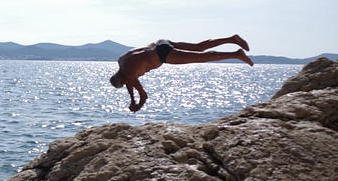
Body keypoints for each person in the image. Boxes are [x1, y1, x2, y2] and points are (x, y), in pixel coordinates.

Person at [109, 34, 254, 112]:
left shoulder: (129, 75)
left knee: (201, 58)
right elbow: (130, 84)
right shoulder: (122, 62)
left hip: (162, 54)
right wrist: (132, 100)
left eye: (124, 83)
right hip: (160, 43)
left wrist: (137, 105)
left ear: (122, 80)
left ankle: (236, 54)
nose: (127, 83)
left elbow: (143, 96)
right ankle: (232, 39)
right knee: (199, 47)